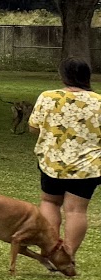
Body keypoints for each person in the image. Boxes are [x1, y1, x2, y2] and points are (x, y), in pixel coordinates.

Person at [29, 58, 99, 262]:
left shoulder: (47, 97)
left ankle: (49, 250)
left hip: (52, 163)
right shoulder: (99, 101)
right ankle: (67, 254)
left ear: (63, 75)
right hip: (88, 167)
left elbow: (34, 127)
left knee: (49, 202)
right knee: (76, 210)